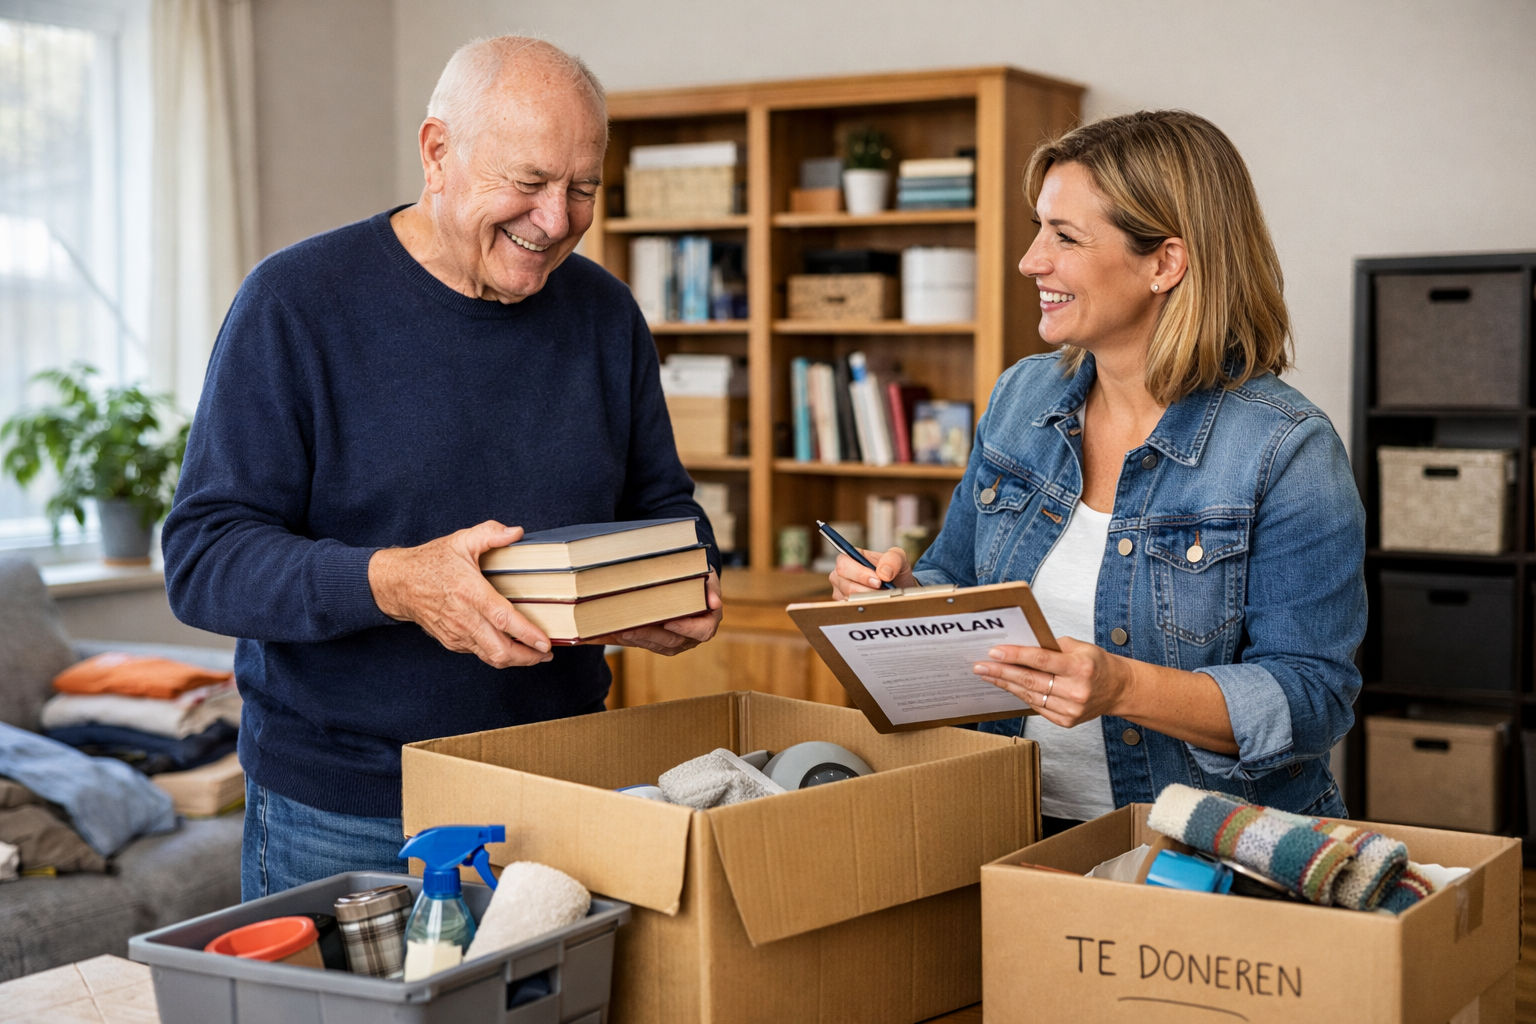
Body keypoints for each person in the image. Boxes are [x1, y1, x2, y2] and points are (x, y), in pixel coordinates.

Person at [162, 36, 723, 899]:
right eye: (529, 184)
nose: (556, 220)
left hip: (561, 788)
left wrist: (665, 586)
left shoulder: (606, 315)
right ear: (437, 152)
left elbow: (667, 511)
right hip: (348, 810)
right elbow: (204, 560)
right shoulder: (294, 303)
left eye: (582, 190)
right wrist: (396, 582)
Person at [830, 110, 1365, 833]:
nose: (1030, 261)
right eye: (1038, 228)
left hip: (1197, 849)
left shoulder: (1285, 449)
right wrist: (899, 599)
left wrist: (1123, 687)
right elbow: (953, 576)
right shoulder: (1022, 396)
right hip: (1006, 826)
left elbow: (1313, 698)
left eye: (1065, 237)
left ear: (1164, 263)